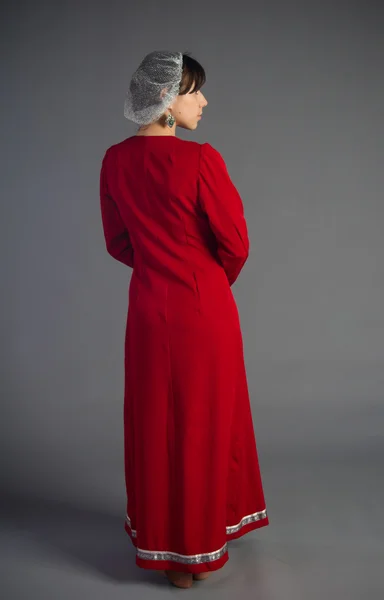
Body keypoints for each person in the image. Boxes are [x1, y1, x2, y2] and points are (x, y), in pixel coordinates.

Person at [100, 50, 269, 589]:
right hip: (203, 311)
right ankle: (193, 552)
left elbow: (118, 242)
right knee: (202, 425)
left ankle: (166, 549)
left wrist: (157, 264)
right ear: (167, 99)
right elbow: (237, 243)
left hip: (149, 311)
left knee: (157, 425)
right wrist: (205, 278)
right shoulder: (201, 161)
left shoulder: (114, 161)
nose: (203, 101)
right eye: (194, 91)